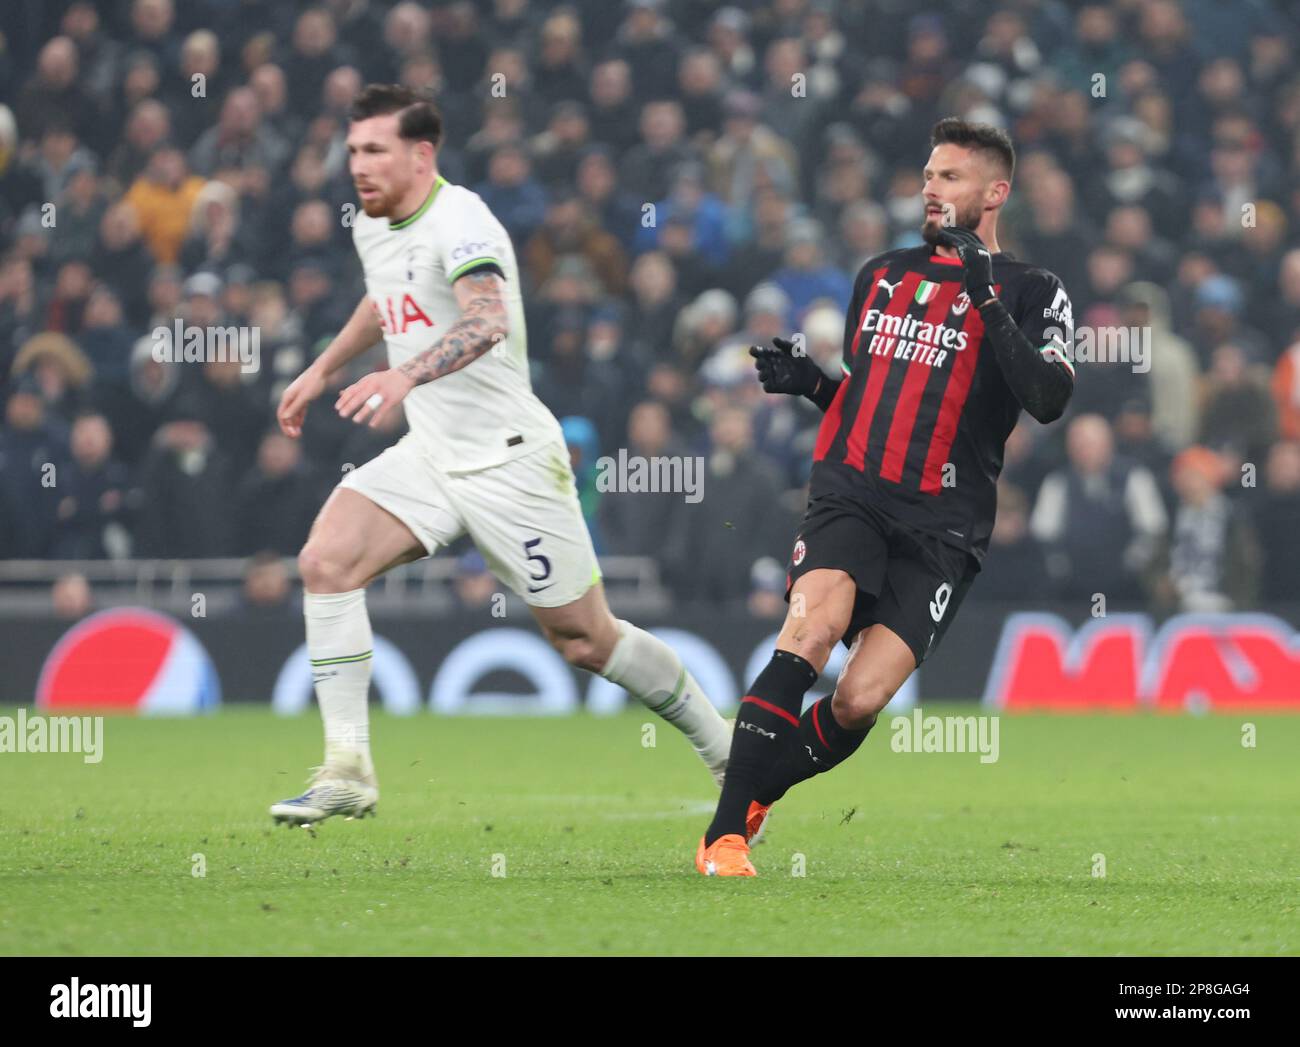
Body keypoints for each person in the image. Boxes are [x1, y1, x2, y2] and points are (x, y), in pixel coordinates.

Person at [269, 85, 730, 826]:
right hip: (432, 453)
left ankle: (728, 753)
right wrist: (322, 370)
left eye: (375, 150)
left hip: (511, 460)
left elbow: (484, 320)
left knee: (586, 639)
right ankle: (347, 768)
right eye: (353, 149)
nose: (358, 165)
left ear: (422, 155)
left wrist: (402, 373)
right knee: (325, 562)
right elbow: (385, 297)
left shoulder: (462, 220)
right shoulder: (373, 222)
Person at [697, 119, 1076, 875]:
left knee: (860, 699)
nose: (930, 189)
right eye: (929, 175)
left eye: (951, 177)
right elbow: (873, 399)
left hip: (943, 527)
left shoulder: (1036, 290)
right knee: (808, 633)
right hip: (853, 491)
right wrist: (812, 384)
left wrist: (984, 296)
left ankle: (757, 789)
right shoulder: (880, 274)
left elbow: (1048, 396)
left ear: (995, 193)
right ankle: (723, 837)